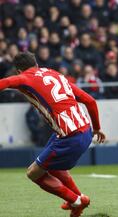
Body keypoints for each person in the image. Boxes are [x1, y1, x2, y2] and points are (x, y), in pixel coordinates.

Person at [0, 52, 106, 217]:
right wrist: (97, 128)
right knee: (52, 166)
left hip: (70, 135)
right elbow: (90, 101)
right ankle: (79, 200)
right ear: (35, 63)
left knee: (33, 172)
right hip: (85, 130)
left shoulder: (24, 78)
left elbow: (5, 82)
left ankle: (76, 200)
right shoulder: (55, 74)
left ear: (18, 70)